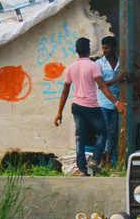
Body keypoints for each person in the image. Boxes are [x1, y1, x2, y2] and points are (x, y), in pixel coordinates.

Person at [52, 37, 126, 176]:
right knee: (103, 132)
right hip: (91, 106)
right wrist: (116, 102)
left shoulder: (70, 67)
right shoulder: (93, 66)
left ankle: (82, 170)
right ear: (88, 50)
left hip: (77, 107)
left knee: (80, 138)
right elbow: (102, 86)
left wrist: (59, 113)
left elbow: (65, 91)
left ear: (76, 51)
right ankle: (96, 160)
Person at [95, 36, 130, 168]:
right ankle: (102, 160)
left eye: (107, 48)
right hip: (103, 102)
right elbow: (101, 84)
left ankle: (109, 161)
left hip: (117, 103)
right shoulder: (99, 63)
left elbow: (125, 78)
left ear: (114, 48)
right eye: (103, 48)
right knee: (103, 131)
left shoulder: (122, 62)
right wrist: (117, 79)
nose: (104, 50)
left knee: (113, 132)